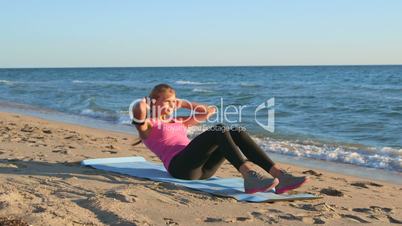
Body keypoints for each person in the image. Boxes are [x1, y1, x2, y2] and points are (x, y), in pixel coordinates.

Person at [131, 83, 307, 194]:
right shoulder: (149, 126)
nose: (172, 105)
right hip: (180, 168)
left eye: (174, 102)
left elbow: (208, 111)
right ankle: (249, 176)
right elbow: (138, 111)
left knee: (236, 130)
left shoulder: (179, 121)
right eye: (168, 101)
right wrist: (145, 103)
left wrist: (183, 103)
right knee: (219, 129)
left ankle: (280, 176)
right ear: (154, 101)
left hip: (203, 170)